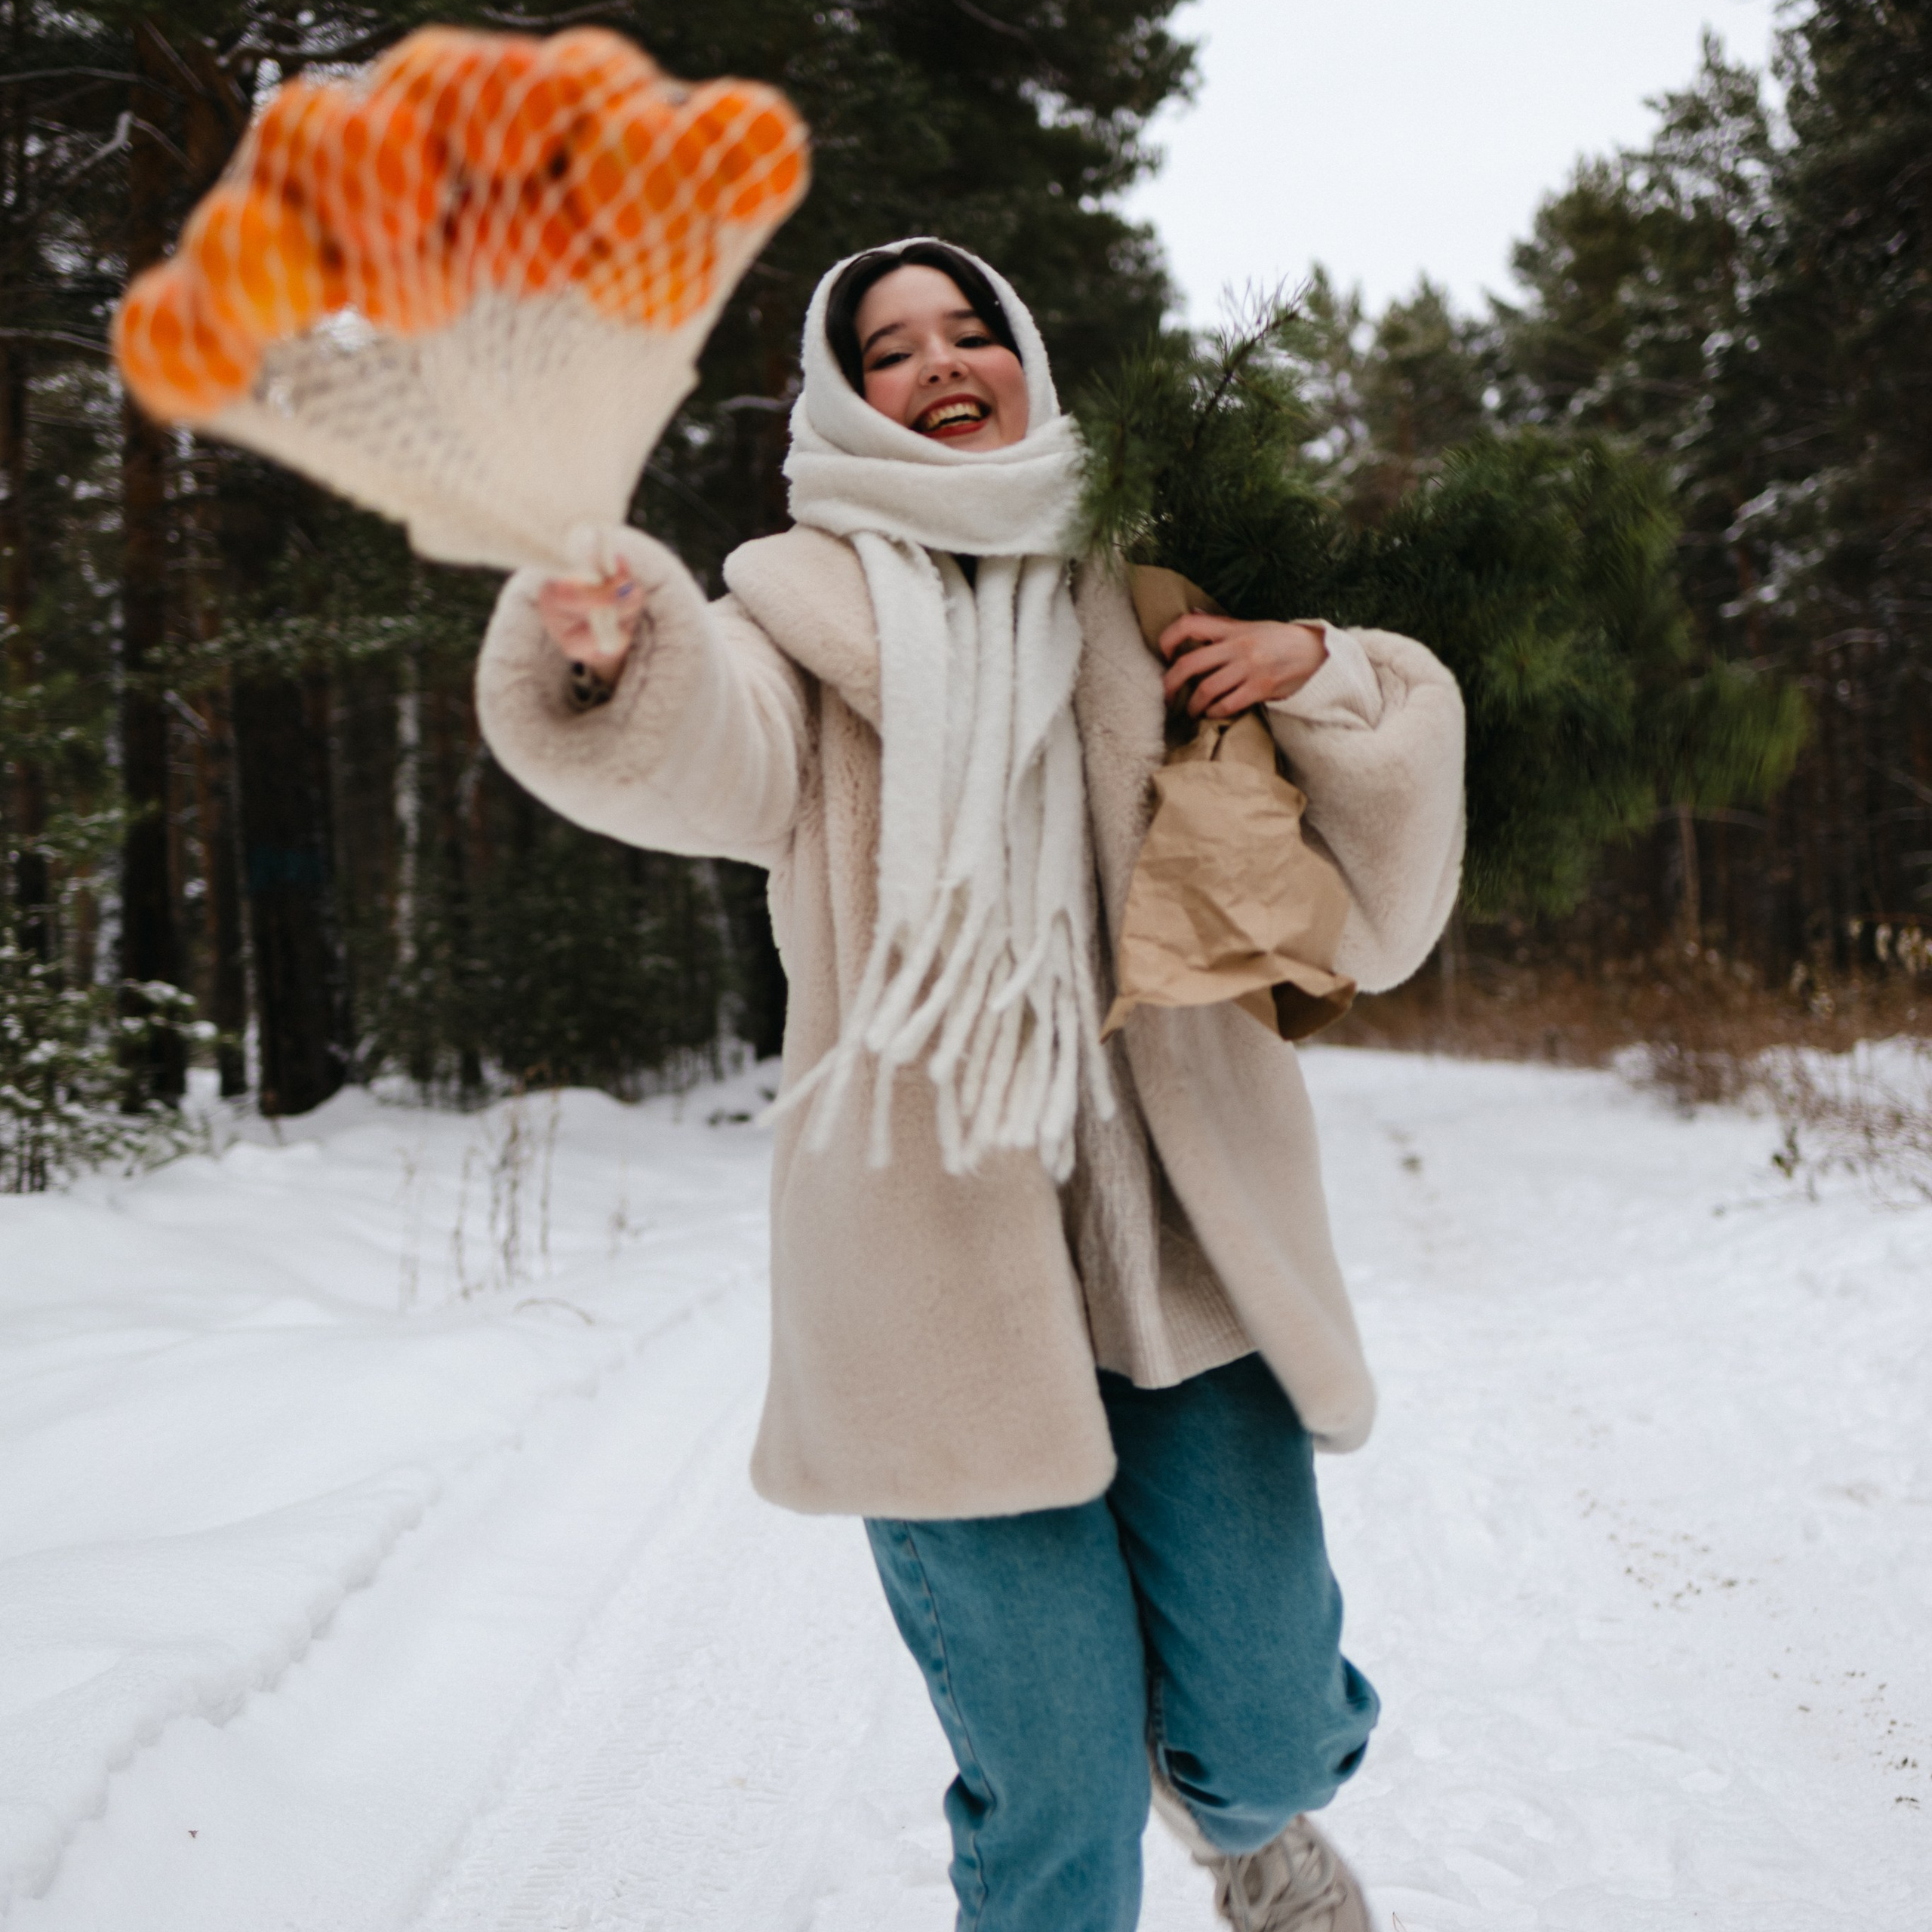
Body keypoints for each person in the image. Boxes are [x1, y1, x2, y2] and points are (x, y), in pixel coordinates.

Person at [476, 238, 1465, 1932]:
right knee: (1060, 1801)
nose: (937, 361)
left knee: (1272, 1724)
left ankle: (1244, 1826)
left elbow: (1378, 909)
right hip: (930, 1283)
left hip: (1184, 1250)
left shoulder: (1151, 582)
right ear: (838, 395)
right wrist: (609, 651)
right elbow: (714, 745)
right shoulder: (795, 613)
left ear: (1022, 359)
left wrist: (1327, 670)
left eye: (968, 330)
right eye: (887, 347)